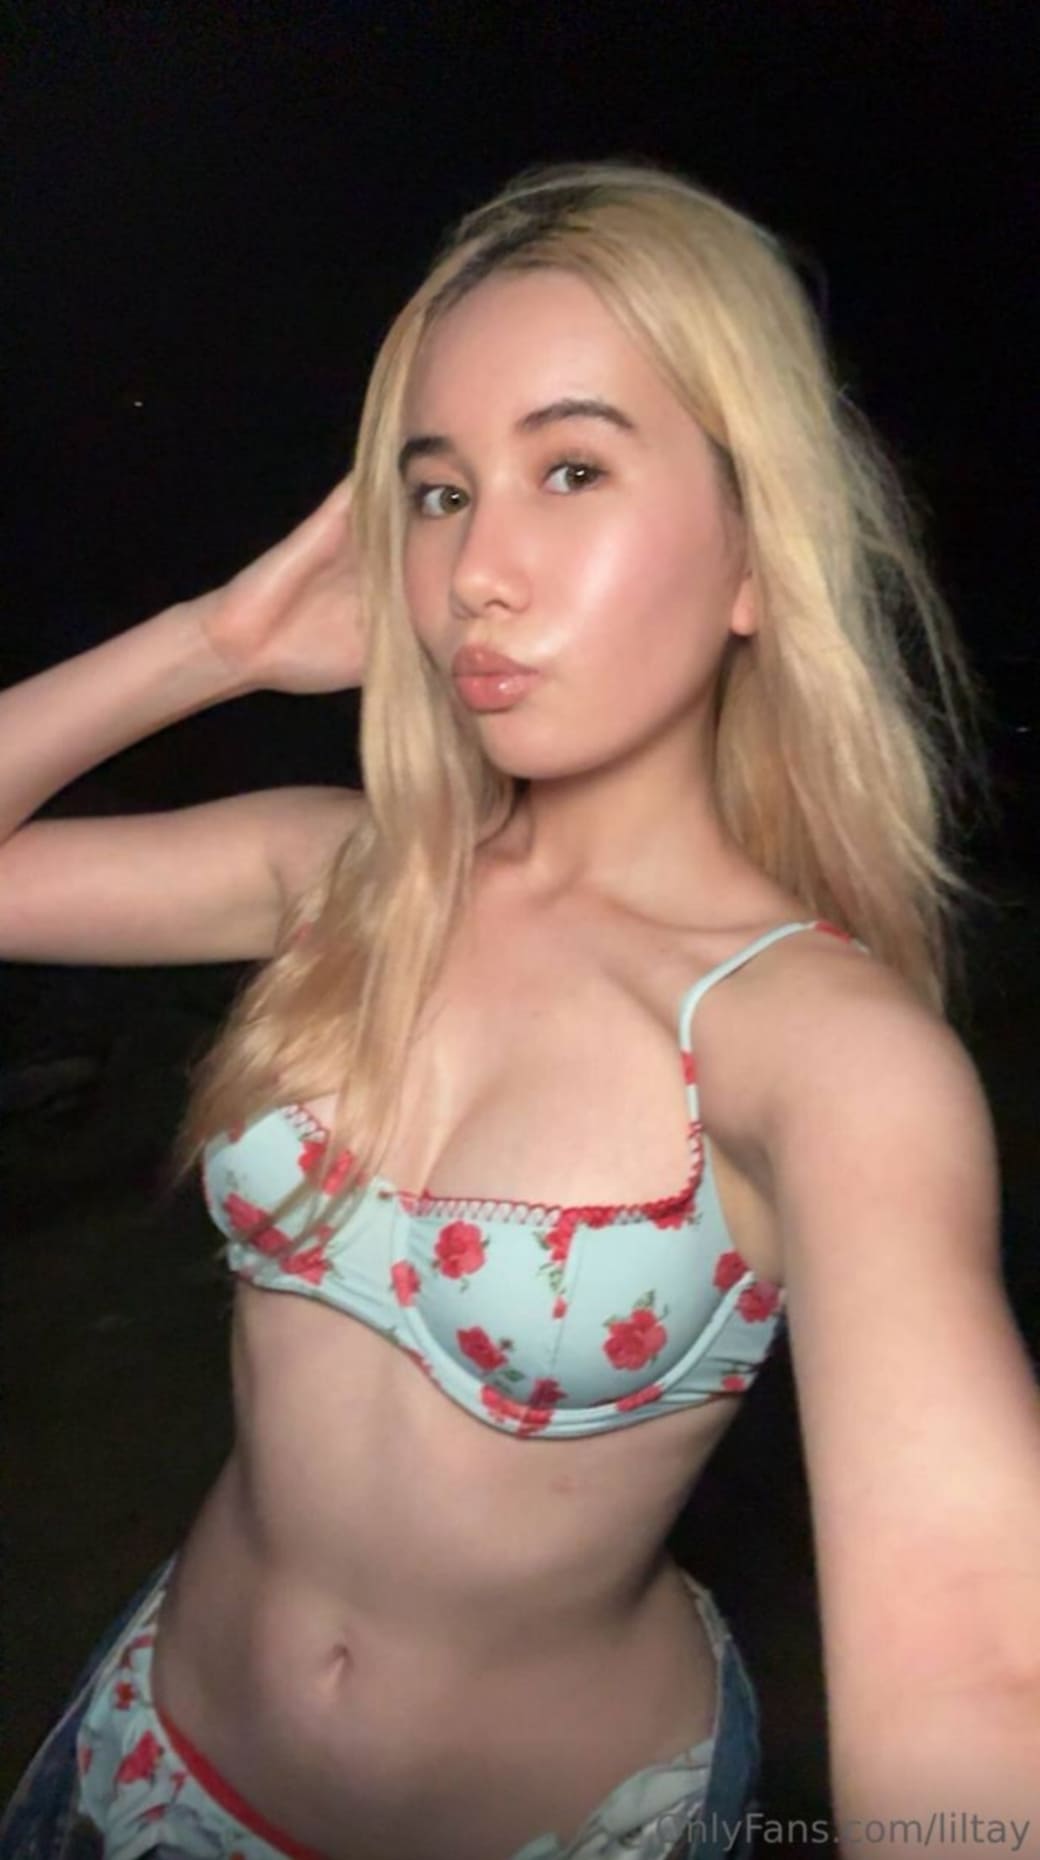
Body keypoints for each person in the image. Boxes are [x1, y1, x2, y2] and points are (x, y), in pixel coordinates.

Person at [1, 158, 1038, 1860]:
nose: (478, 567)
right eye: (437, 492)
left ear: (755, 555)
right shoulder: (339, 876)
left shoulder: (824, 1051)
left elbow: (979, 1667)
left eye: (570, 469)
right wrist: (215, 644)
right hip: (156, 1765)